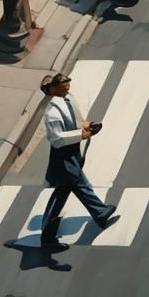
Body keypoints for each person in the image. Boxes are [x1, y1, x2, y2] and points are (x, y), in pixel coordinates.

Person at [38, 72, 119, 252]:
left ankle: (100, 213)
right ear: (51, 89)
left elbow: (76, 120)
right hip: (63, 158)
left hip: (72, 153)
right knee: (69, 189)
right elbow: (56, 139)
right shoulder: (52, 114)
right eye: (62, 83)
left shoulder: (69, 99)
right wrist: (81, 135)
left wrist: (87, 125)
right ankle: (47, 236)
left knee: (73, 187)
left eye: (67, 81)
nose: (67, 85)